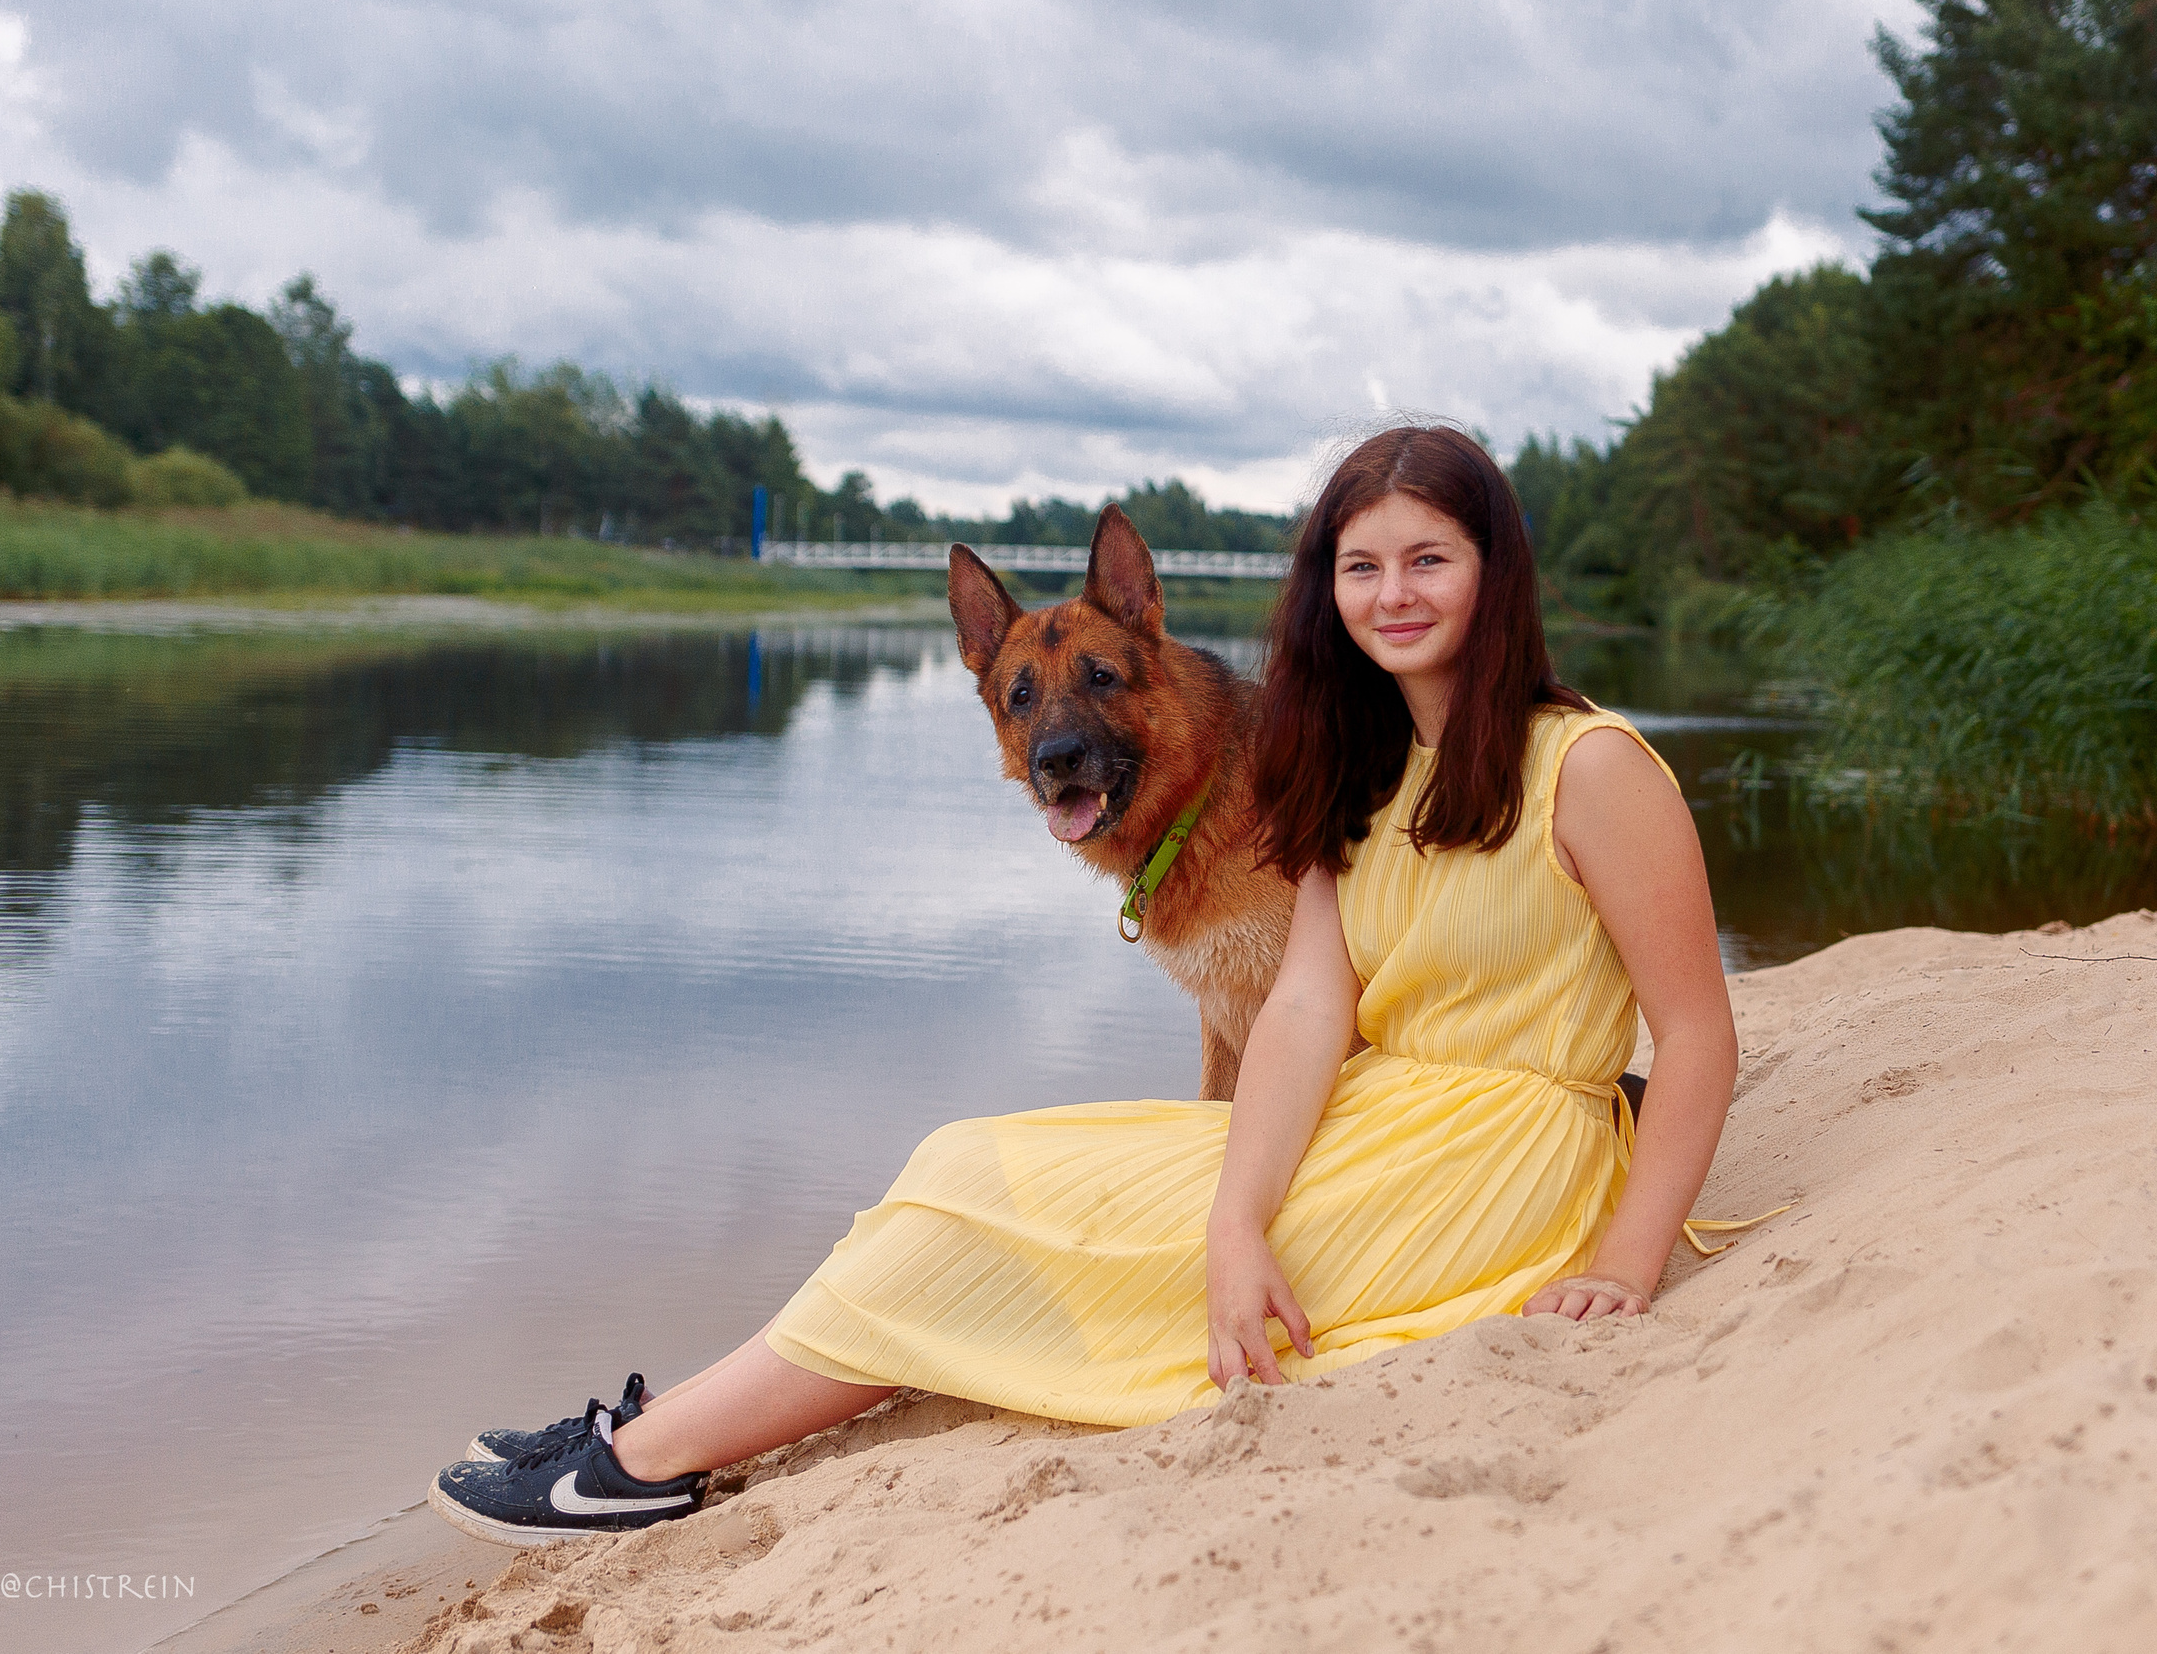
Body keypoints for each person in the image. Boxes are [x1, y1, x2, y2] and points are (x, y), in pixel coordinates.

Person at [428, 424, 1744, 1546]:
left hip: (1496, 1166)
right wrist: (1238, 1220)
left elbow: (1696, 1034)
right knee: (961, 1165)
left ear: (1494, 572)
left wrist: (1627, 1262)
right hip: (1373, 1121)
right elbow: (1303, 1012)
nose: (1392, 592)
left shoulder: (1592, 766)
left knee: (1027, 1232)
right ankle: (659, 1433)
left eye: (1428, 559)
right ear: (1327, 586)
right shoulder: (1356, 770)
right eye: (1361, 564)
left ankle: (641, 1467)